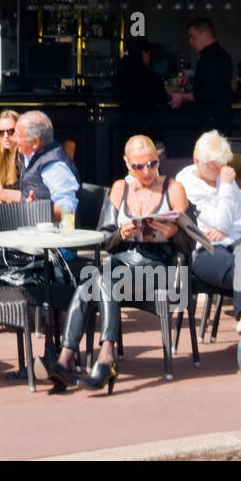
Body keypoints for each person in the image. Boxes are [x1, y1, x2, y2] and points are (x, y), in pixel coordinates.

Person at [50, 135, 190, 393]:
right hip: (123, 262)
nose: (147, 171)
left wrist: (172, 234)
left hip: (159, 266)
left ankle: (100, 355)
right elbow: (104, 239)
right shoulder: (119, 189)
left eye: (152, 163)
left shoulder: (173, 188)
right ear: (127, 164)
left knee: (96, 279)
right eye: (139, 166)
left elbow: (190, 245)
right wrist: (121, 235)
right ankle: (69, 357)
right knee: (89, 283)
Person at [175, 131, 241, 336]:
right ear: (197, 161)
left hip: (238, 244)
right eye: (213, 166)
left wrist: (226, 230)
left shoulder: (225, 178)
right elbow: (219, 221)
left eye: (221, 165)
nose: (218, 171)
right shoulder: (187, 184)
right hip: (205, 251)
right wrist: (226, 188)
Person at [0, 110, 78, 221]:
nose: (13, 139)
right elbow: (25, 196)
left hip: (51, 235)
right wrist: (1, 193)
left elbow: (68, 210)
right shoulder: (31, 159)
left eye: (17, 135)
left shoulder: (54, 166)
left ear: (35, 142)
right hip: (31, 228)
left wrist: (39, 209)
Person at [169, 17, 234, 135]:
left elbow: (206, 94)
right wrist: (191, 80)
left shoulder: (210, 58)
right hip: (219, 119)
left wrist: (182, 96)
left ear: (205, 34)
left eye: (192, 37)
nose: (190, 42)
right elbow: (212, 82)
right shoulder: (219, 55)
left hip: (212, 121)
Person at [115, 38, 168, 143]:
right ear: (145, 53)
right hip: (149, 129)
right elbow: (162, 99)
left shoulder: (121, 75)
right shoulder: (152, 77)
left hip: (128, 128)